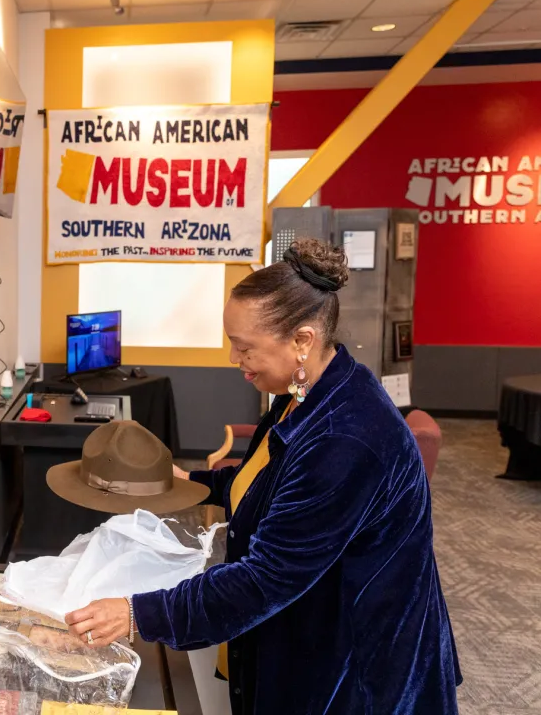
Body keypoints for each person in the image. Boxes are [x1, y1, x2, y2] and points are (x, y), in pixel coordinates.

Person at [65, 239, 461, 715]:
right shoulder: (306, 393)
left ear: (302, 340)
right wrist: (189, 480)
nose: (235, 360)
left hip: (356, 666)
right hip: (312, 631)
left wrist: (137, 612)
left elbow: (267, 579)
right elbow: (270, 482)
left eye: (244, 347)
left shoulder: (347, 437)